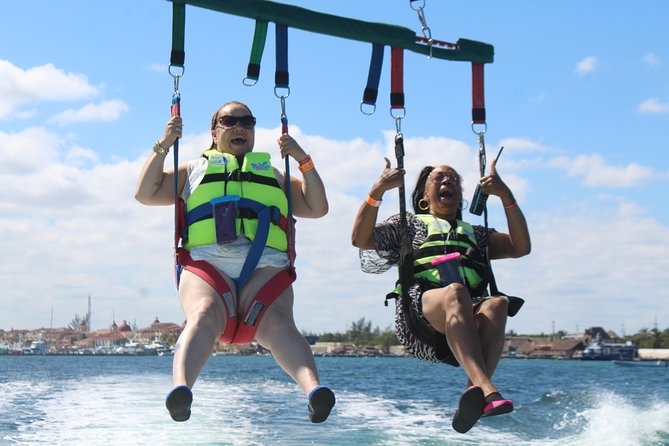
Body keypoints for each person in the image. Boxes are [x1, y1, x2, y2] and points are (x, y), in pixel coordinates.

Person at [135, 101, 335, 423]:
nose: (239, 126)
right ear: (215, 132)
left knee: (280, 322)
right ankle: (181, 390)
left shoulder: (273, 175)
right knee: (202, 315)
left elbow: (317, 206)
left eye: (247, 121)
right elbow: (145, 192)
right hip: (209, 267)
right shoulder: (194, 171)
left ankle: (314, 392)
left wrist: (302, 158)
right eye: (229, 121)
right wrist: (164, 145)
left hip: (265, 268)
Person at [351, 157, 531, 434]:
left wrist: (505, 194)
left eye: (454, 179)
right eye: (439, 178)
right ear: (424, 195)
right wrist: (378, 190)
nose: (448, 181)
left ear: (461, 195)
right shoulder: (410, 226)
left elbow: (521, 247)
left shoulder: (476, 235)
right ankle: (487, 391)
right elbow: (360, 239)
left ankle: (475, 395)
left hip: (467, 320)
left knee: (498, 304)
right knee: (456, 291)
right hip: (420, 321)